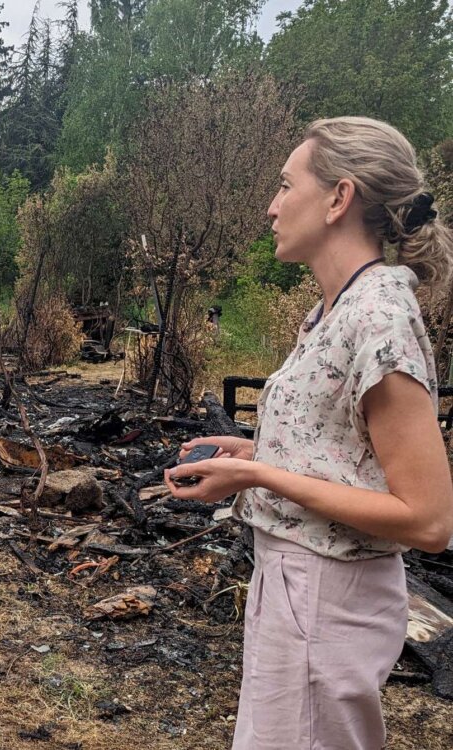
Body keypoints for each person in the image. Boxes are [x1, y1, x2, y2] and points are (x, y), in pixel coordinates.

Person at [164, 116, 453, 750]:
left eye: (285, 185)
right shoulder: (332, 309)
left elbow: (428, 519)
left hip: (328, 596)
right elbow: (342, 451)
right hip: (296, 585)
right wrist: (257, 452)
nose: (271, 207)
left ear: (338, 198)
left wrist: (260, 474)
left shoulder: (379, 316)